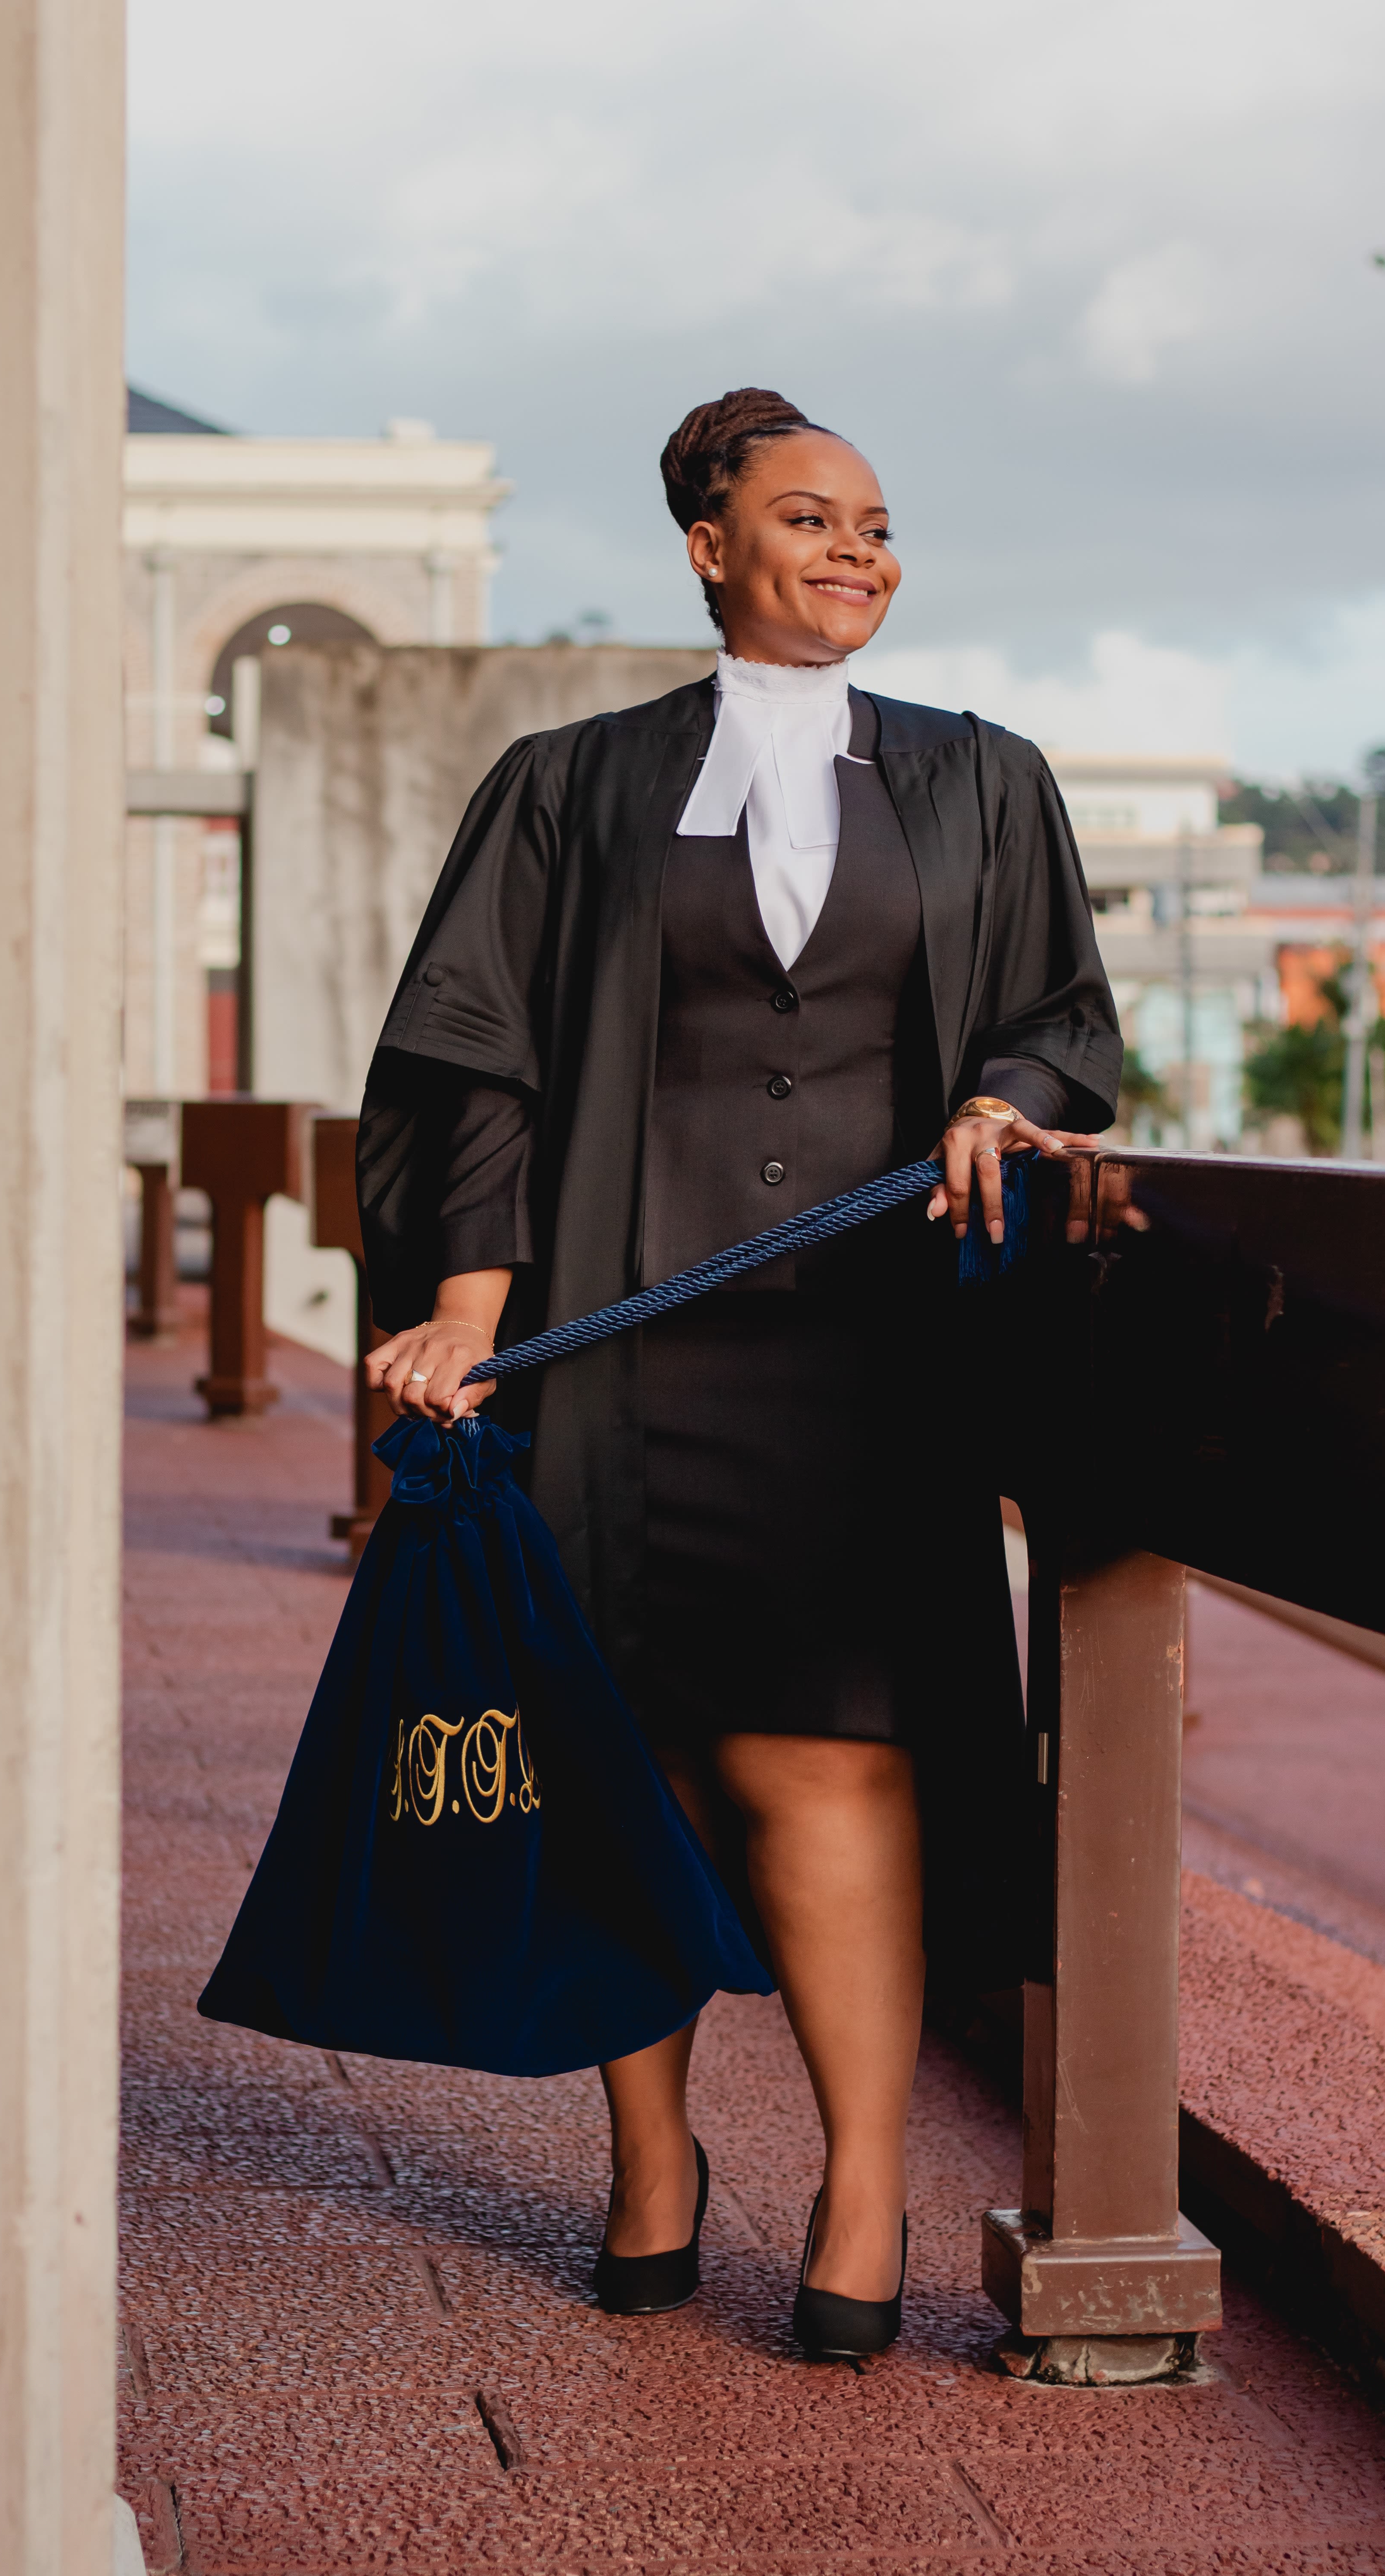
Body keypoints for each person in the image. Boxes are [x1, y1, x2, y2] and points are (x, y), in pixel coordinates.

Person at [354, 388, 1120, 2357]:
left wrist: (999, 1096)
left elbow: (1054, 1017)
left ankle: (862, 2183)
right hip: (615, 1337)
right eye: (808, 517)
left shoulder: (981, 778)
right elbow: (478, 1052)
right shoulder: (569, 782)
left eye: (876, 521)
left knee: (832, 1753)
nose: (857, 549)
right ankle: (654, 2156)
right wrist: (467, 1296)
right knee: (638, 1762)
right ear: (708, 545)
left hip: (865, 1354)